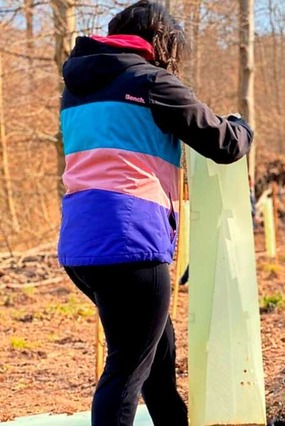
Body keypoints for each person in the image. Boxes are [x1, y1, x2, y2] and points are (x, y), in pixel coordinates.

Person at [57, 1, 253, 425]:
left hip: (80, 243)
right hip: (131, 242)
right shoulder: (150, 81)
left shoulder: (76, 88)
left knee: (156, 358)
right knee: (127, 369)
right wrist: (242, 126)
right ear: (160, 40)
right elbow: (224, 144)